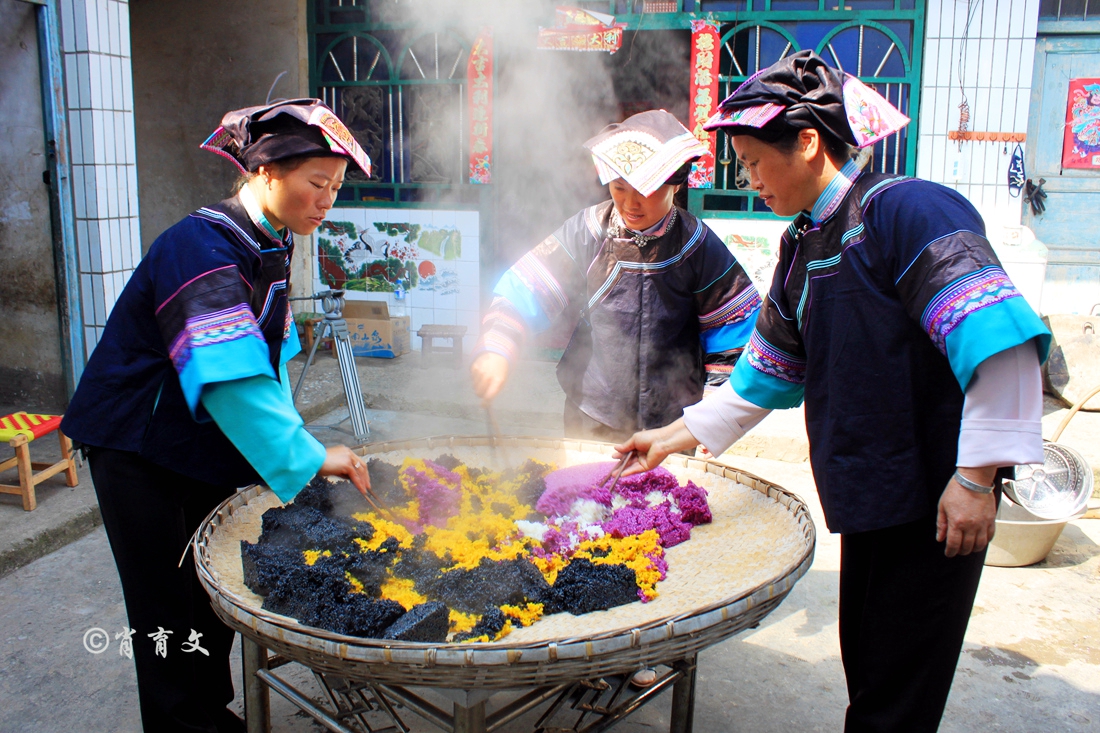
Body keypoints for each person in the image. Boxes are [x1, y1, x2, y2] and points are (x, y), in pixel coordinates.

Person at [614, 52, 1050, 732]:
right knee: (871, 671)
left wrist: (975, 478)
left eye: (756, 162)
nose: (750, 179)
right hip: (872, 497)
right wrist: (668, 439)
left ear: (810, 142)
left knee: (895, 694)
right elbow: (765, 374)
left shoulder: (904, 210)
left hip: (936, 500)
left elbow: (1003, 341)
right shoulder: (804, 246)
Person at [61, 99, 374, 733]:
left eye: (335, 189)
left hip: (201, 442)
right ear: (265, 172)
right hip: (138, 445)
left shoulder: (270, 241)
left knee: (209, 593)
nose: (326, 203)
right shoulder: (198, 246)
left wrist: (293, 440)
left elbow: (273, 354)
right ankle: (182, 721)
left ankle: (207, 712)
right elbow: (230, 375)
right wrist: (310, 455)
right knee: (163, 606)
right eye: (317, 184)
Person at [470, 110, 761, 442]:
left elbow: (734, 330)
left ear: (675, 185)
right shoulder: (588, 231)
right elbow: (526, 291)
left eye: (645, 190)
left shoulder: (698, 245)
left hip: (671, 425)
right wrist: (497, 346)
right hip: (591, 412)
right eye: (619, 188)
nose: (630, 204)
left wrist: (714, 411)